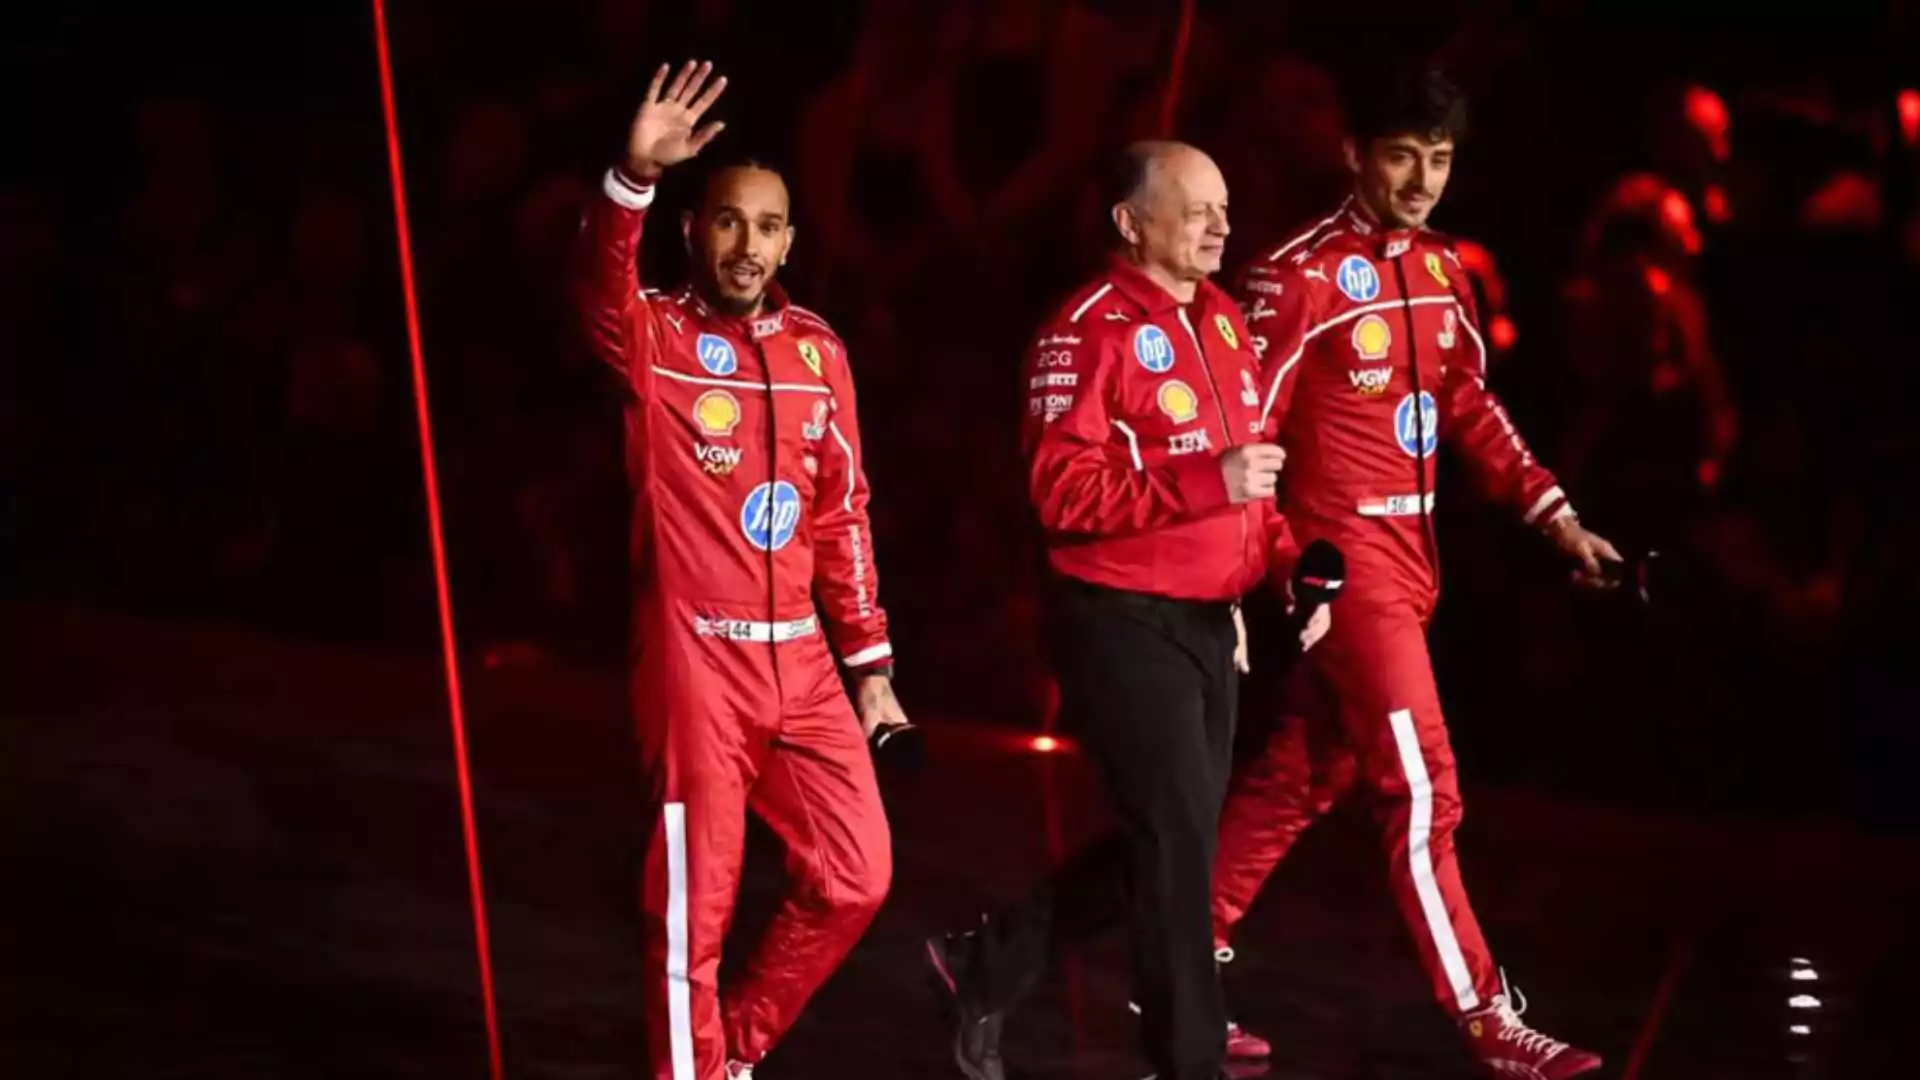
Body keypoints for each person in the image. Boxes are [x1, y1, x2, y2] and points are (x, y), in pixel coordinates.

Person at [1213, 68, 1616, 1079]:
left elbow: (1472, 407)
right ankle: (1484, 1012)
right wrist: (1273, 568)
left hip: (1415, 565)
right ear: (1355, 152)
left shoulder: (1443, 269)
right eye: (1402, 155)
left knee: (1308, 773)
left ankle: (1175, 951)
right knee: (1424, 786)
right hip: (1341, 573)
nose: (1423, 178)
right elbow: (1245, 434)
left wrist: (1557, 520)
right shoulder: (1294, 274)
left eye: (1439, 159)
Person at [925, 141, 1329, 1080]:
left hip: (1206, 625)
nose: (1222, 227)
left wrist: (1286, 573)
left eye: (1224, 207)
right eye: (1197, 210)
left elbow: (1252, 492)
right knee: (1177, 849)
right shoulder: (1085, 330)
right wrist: (1203, 481)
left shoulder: (1225, 322)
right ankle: (1189, 1060)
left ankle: (989, 962)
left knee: (1174, 838)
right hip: (1118, 618)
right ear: (1130, 221)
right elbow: (1058, 488)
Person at [574, 61, 908, 1080]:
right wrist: (632, 178)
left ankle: (730, 1056)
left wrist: (871, 666)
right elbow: (599, 286)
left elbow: (841, 511)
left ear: (791, 240)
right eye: (727, 223)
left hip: (801, 664)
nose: (747, 246)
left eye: (766, 228)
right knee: (694, 908)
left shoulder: (818, 351)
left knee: (856, 876)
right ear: (694, 230)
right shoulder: (654, 337)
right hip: (694, 659)